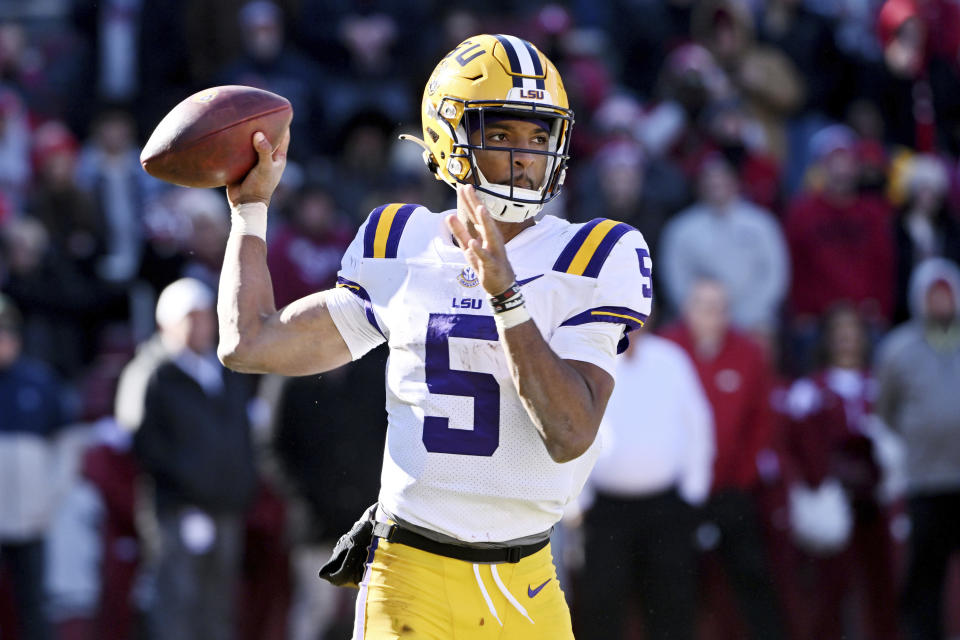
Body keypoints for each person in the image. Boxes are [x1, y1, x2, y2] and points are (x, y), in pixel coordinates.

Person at [217, 34, 653, 638]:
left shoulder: (595, 254)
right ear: (450, 139)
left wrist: (507, 297)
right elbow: (250, 343)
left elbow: (570, 433)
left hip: (525, 580)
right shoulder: (403, 240)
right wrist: (250, 211)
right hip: (409, 573)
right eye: (501, 134)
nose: (525, 155)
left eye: (539, 135)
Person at [114, 277, 258, 640]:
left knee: (218, 608)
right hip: (176, 513)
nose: (199, 325)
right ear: (167, 322)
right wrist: (187, 494)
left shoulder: (225, 370)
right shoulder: (150, 372)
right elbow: (143, 444)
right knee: (176, 607)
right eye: (189, 317)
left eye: (204, 316)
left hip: (226, 507)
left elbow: (242, 436)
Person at [661, 278, 786, 640]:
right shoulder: (668, 349)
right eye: (704, 305)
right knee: (674, 583)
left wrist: (739, 479)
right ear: (687, 309)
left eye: (720, 306)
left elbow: (762, 422)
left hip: (733, 489)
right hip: (677, 493)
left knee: (753, 576)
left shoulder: (749, 352)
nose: (712, 314)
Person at [577, 325, 714, 640]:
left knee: (672, 603)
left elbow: (698, 424)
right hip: (605, 511)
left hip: (666, 508)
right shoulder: (591, 362)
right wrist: (578, 503)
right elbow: (575, 427)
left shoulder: (671, 360)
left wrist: (693, 494)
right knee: (601, 605)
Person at [875, 257, 960, 640]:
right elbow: (886, 410)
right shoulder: (898, 349)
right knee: (925, 574)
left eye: (946, 296)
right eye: (932, 296)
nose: (940, 304)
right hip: (925, 480)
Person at [0, 293, 69, 640]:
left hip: (29, 519)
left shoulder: (39, 380)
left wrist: (48, 498)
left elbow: (66, 445)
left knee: (34, 606)